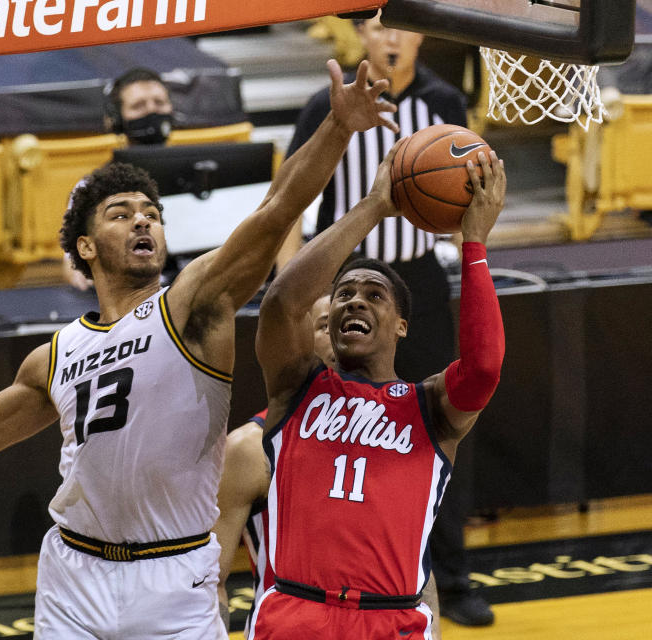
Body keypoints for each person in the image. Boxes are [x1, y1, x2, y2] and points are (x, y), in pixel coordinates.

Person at [0, 60, 399, 639]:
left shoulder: (191, 307)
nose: (143, 218)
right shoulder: (54, 355)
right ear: (85, 248)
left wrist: (338, 131)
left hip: (172, 576)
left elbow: (275, 211)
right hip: (73, 572)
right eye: (120, 212)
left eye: (151, 211)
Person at [285, 11, 495, 627]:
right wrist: (289, 283)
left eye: (402, 27)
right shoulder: (327, 107)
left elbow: (468, 192)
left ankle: (452, 580)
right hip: (346, 282)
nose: (393, 37)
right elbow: (291, 196)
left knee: (437, 430)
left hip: (419, 286)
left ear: (421, 37)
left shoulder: (444, 101)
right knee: (332, 427)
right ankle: (316, 562)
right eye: (380, 28)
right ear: (364, 39)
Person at [248, 142, 505, 639]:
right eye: (344, 293)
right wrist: (374, 207)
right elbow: (281, 303)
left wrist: (473, 242)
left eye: (374, 294)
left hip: (392, 619)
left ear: (402, 325)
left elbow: (484, 368)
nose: (354, 302)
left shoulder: (429, 406)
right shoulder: (297, 387)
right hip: (297, 613)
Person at [212, 295, 440, 639]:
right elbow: (209, 579)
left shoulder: (398, 436)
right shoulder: (251, 446)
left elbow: (418, 568)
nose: (341, 328)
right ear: (300, 341)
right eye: (323, 324)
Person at [63, 67, 176, 290]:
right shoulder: (92, 187)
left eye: (159, 103)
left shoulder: (204, 170)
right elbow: (72, 267)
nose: (152, 112)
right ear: (116, 119)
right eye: (139, 106)